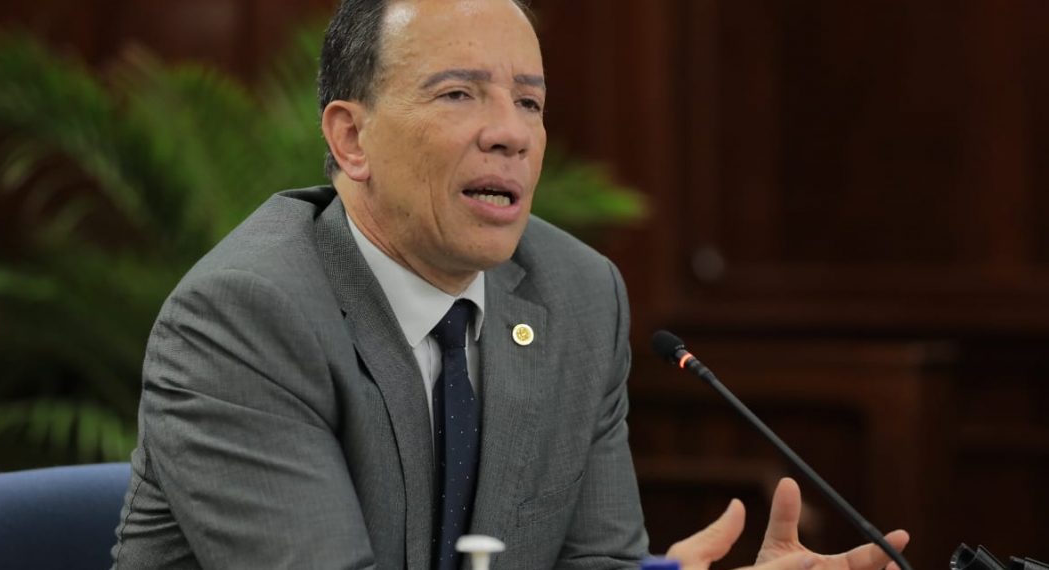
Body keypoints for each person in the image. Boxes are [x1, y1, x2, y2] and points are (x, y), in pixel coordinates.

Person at [109, 0, 910, 568]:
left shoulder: (578, 296)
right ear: (351, 138)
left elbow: (596, 559)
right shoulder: (246, 316)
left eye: (530, 102)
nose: (511, 134)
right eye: (459, 93)